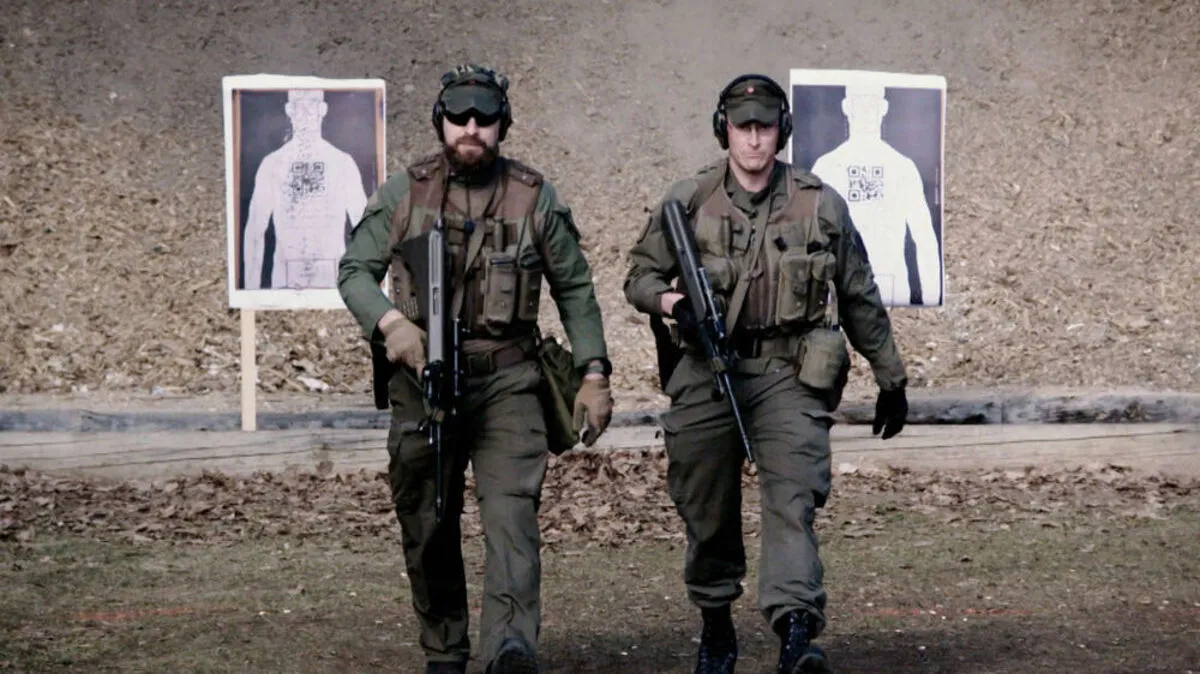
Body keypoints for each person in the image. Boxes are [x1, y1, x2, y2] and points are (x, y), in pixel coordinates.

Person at [622, 73, 910, 674]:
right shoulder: (688, 200)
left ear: (783, 131)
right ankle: (716, 624)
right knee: (705, 505)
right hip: (707, 370)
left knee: (793, 498)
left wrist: (892, 377)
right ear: (723, 128)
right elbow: (639, 278)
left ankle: (795, 631)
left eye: (765, 127)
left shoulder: (820, 203)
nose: (754, 140)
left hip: (788, 371)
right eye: (743, 126)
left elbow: (858, 294)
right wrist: (677, 306)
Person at [337, 64, 614, 674]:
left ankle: (510, 646)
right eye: (459, 116)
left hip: (510, 377)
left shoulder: (533, 196)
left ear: (501, 125)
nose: (470, 128)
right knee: (427, 517)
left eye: (483, 118)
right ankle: (444, 647)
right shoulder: (404, 192)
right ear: (441, 121)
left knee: (512, 515)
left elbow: (574, 287)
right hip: (423, 380)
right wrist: (392, 325)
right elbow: (354, 271)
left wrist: (594, 373)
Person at [810, 81, 941, 306]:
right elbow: (807, 236)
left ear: (883, 108)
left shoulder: (902, 166)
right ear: (846, 107)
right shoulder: (826, 167)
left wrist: (931, 297)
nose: (865, 113)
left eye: (871, 105)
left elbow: (924, 237)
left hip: (892, 291)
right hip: (837, 289)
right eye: (859, 105)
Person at [244, 88, 368, 290]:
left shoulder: (342, 163)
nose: (305, 112)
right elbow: (255, 230)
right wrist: (250, 292)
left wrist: (367, 288)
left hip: (334, 281)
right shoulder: (273, 164)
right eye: (298, 105)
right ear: (289, 110)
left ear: (323, 109)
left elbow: (364, 228)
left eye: (311, 104)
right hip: (286, 283)